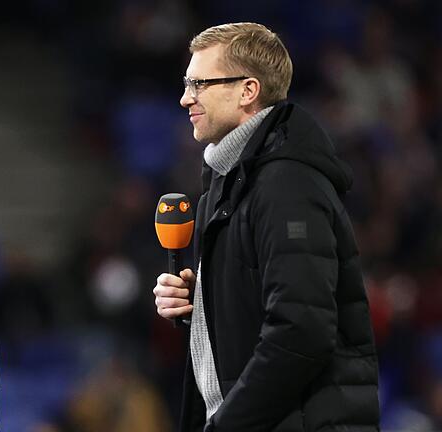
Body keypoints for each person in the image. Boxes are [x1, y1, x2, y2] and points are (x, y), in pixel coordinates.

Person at [152, 23, 380, 431]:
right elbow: (268, 309)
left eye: (199, 84)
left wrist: (227, 424)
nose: (186, 98)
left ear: (248, 90)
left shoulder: (286, 184)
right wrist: (199, 306)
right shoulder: (229, 186)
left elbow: (301, 332)